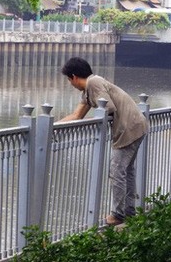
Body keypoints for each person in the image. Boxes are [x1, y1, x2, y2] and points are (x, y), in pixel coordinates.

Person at [58, 57, 148, 226]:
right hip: (136, 124)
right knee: (126, 171)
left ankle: (118, 215)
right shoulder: (89, 89)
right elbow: (77, 115)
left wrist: (99, 120)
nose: (70, 84)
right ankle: (129, 212)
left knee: (117, 171)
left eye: (69, 80)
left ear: (74, 77)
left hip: (129, 127)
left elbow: (109, 108)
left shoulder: (94, 83)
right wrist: (53, 126)